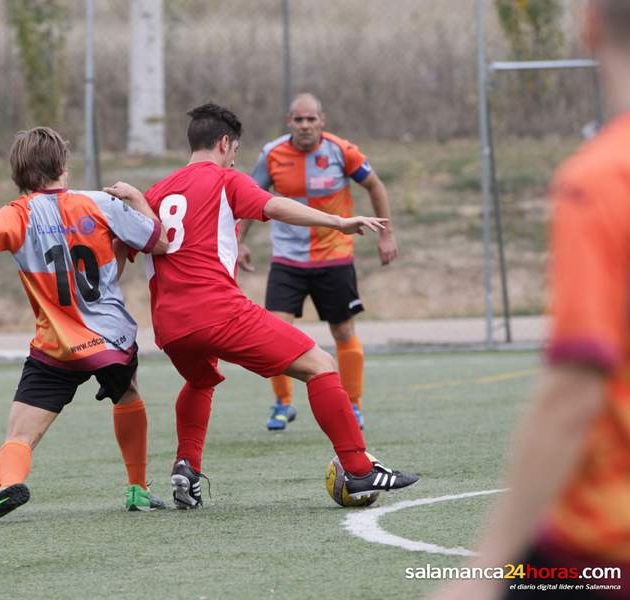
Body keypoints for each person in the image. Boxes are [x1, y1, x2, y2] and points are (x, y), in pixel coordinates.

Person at [106, 103, 419, 510]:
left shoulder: (156, 193)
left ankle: (186, 466)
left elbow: (121, 247)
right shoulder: (224, 179)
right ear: (224, 143)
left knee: (201, 381)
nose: (235, 156)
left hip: (169, 325)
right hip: (218, 311)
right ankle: (359, 469)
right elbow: (274, 206)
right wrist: (338, 223)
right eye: (234, 149)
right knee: (320, 365)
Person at [430, 1, 630, 597]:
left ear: (588, 26)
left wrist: (485, 569)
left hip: (604, 544)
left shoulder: (602, 179)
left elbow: (577, 384)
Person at [0, 126, 169, 524]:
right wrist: (137, 199)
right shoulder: (99, 203)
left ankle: (9, 485)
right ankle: (137, 489)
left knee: (20, 435)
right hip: (110, 339)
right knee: (127, 394)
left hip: (57, 347)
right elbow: (159, 240)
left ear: (19, 172)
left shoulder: (18, 214)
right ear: (63, 164)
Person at [238, 93, 396, 431]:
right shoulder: (272, 154)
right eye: (299, 119)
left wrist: (387, 234)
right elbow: (249, 198)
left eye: (311, 119)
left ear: (322, 120)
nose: (305, 125)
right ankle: (283, 404)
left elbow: (375, 185)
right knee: (275, 333)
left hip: (334, 258)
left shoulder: (341, 151)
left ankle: (353, 405)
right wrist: (238, 241)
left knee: (343, 330)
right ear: (289, 121)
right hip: (288, 260)